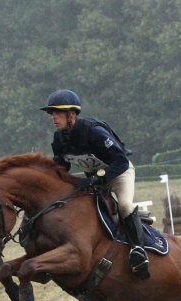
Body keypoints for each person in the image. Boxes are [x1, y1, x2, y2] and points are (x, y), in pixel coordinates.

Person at [41, 89, 148, 280]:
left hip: (118, 175)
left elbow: (121, 161)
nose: (53, 117)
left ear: (71, 115)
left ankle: (138, 250)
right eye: (52, 114)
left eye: (57, 113)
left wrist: (98, 178)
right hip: (94, 179)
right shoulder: (59, 138)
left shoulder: (94, 132)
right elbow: (62, 165)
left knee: (123, 205)